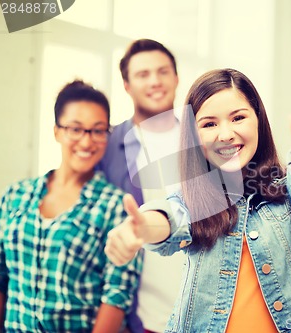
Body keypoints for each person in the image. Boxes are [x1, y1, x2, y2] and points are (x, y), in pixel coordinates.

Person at [105, 68, 291, 332]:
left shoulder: (287, 192)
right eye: (209, 124)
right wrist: (141, 228)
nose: (226, 134)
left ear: (258, 120)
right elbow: (169, 217)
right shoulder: (192, 201)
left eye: (238, 118)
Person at [0, 80, 141, 332]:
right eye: (75, 129)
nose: (86, 142)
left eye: (97, 130)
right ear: (57, 131)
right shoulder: (15, 196)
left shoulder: (116, 207)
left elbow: (117, 296)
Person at [98, 39, 185, 333]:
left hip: (206, 311)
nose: (155, 81)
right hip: (142, 318)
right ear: (126, 85)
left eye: (162, 72)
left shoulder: (203, 137)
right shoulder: (108, 146)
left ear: (176, 77)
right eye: (143, 74)